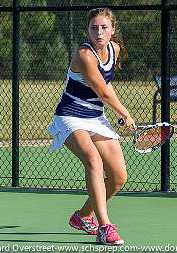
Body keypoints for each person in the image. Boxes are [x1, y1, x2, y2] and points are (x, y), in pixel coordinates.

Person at [48, 8, 135, 245]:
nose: (99, 32)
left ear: (112, 30)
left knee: (118, 176)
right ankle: (105, 227)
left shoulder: (114, 50)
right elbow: (104, 92)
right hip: (70, 116)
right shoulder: (84, 55)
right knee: (93, 161)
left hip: (95, 117)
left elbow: (106, 85)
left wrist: (118, 113)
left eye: (104, 27)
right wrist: (124, 113)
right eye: (94, 28)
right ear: (88, 30)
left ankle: (83, 216)